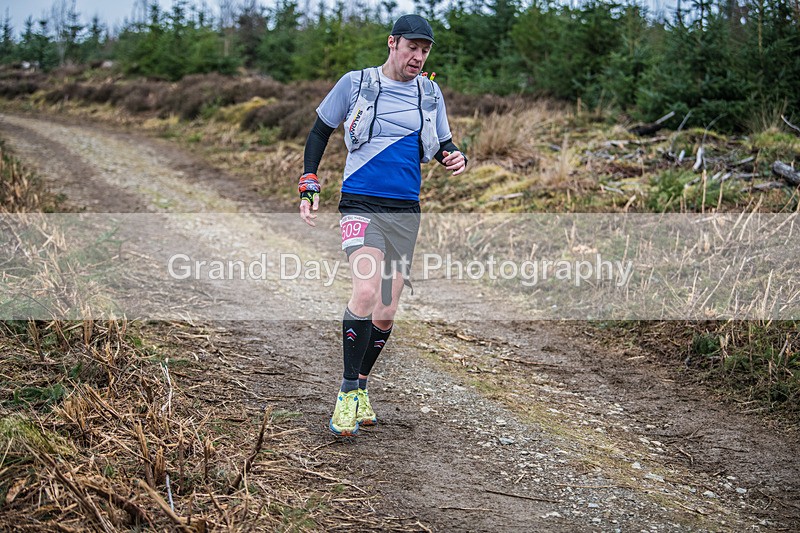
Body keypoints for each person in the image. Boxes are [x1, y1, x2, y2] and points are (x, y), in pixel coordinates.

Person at [298, 14, 467, 436]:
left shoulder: (429, 93)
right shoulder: (356, 83)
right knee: (366, 291)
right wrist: (309, 179)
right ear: (392, 43)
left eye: (425, 50)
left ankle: (363, 387)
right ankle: (346, 393)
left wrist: (455, 156)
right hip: (360, 202)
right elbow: (320, 131)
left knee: (387, 313)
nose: (418, 56)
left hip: (405, 210)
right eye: (412, 47)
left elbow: (445, 143)